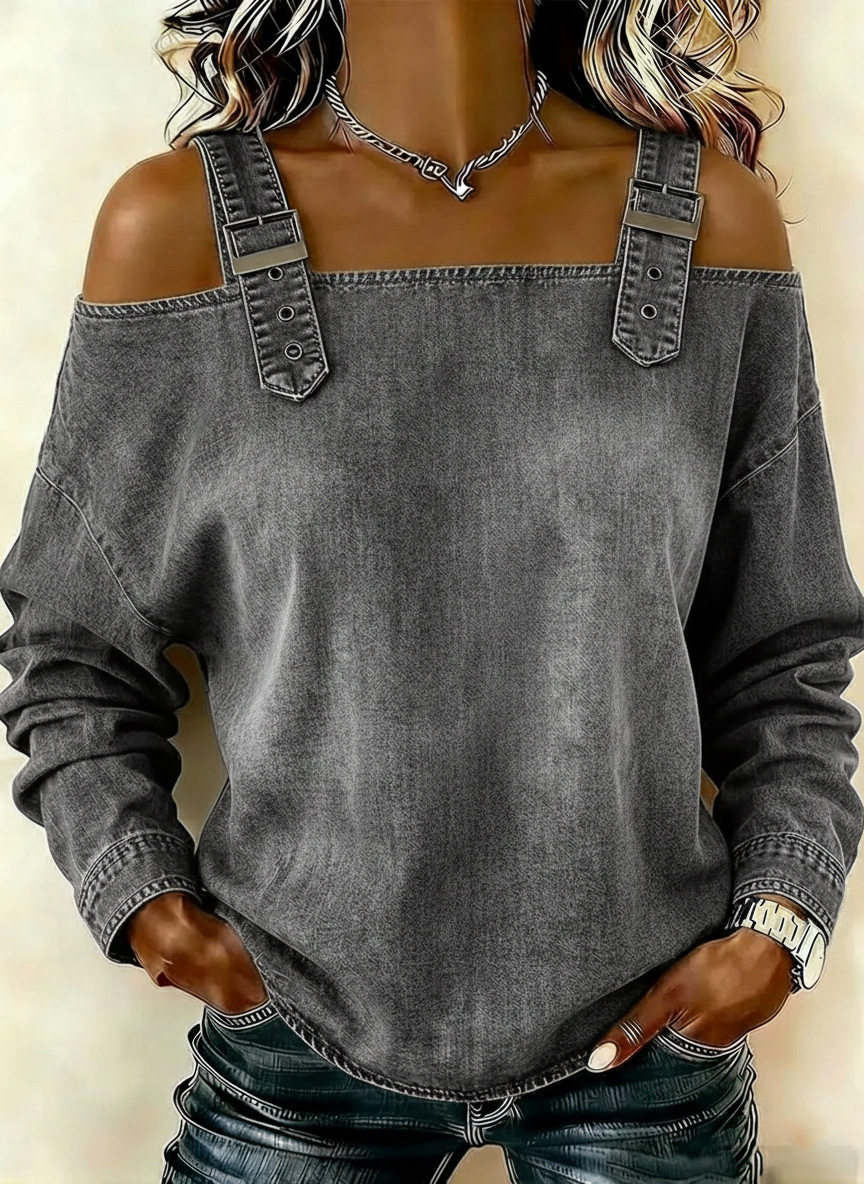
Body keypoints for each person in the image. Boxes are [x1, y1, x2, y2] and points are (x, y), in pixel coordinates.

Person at [1, 0, 862, 1180]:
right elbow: (72, 644)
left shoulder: (711, 219)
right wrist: (145, 898)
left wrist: (780, 919)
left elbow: (785, 650)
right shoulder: (174, 227)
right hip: (292, 1044)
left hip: (649, 1046)